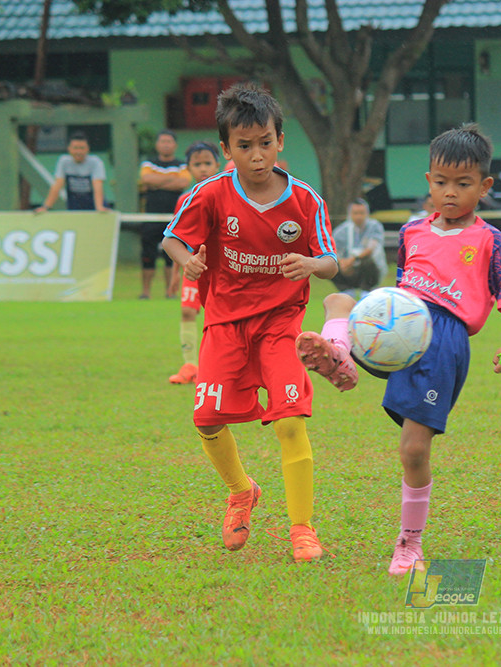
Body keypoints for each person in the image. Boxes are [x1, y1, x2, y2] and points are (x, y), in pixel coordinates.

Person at [295, 123, 501, 575]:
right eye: (441, 182)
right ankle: (340, 354)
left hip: (443, 341)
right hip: (399, 317)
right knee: (338, 298)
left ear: (485, 186)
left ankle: (410, 543)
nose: (450, 193)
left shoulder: (489, 240)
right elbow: (405, 279)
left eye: (463, 184)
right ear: (428, 181)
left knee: (414, 451)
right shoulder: (412, 232)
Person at [162, 83, 338, 562]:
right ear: (226, 150)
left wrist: (310, 265)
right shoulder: (210, 195)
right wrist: (187, 261)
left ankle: (302, 528)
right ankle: (241, 491)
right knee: (206, 418)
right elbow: (172, 239)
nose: (256, 155)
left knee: (289, 421)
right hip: (224, 324)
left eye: (265, 142)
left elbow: (330, 262)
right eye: (244, 146)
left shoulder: (305, 201)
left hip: (281, 324)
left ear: (281, 140)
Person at [167, 141, 220, 385]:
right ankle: (190, 364)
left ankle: (213, 367)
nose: (203, 169)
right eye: (197, 164)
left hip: (219, 270)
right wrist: (177, 272)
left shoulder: (225, 196)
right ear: (188, 168)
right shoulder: (184, 200)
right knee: (188, 311)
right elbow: (177, 239)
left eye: (207, 163)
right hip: (193, 268)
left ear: (217, 165)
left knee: (216, 317)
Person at [140, 129, 191, 300]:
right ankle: (146, 292)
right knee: (148, 255)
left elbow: (183, 182)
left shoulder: (182, 164)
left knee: (171, 256)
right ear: (157, 144)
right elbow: (146, 179)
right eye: (162, 141)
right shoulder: (149, 163)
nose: (166, 145)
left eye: (169, 141)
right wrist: (171, 180)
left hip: (174, 217)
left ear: (175, 145)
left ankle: (170, 292)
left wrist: (158, 182)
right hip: (150, 217)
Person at [34, 132, 108, 213]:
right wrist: (46, 207)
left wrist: (99, 207)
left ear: (88, 149)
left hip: (94, 205)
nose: (78, 152)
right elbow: (57, 185)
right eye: (75, 148)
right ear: (69, 149)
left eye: (82, 148)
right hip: (74, 206)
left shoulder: (96, 162)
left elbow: (97, 186)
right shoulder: (64, 161)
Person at [330, 198, 387, 298]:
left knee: (368, 261)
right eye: (355, 213)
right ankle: (346, 290)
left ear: (367, 213)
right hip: (347, 268)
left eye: (362, 213)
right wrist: (342, 263)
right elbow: (334, 250)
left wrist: (353, 260)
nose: (358, 216)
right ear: (350, 214)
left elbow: (370, 249)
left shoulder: (374, 227)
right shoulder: (341, 231)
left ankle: (366, 291)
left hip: (368, 268)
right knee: (330, 264)